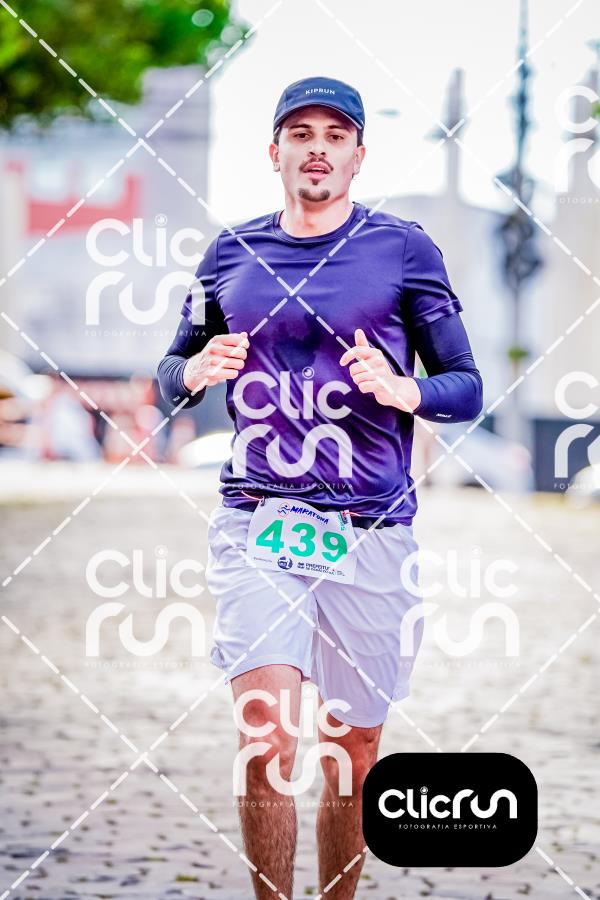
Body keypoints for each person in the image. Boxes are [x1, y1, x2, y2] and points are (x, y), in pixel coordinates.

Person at [157, 75, 483, 900]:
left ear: (358, 156)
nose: (317, 149)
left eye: (335, 136)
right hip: (259, 519)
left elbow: (466, 385)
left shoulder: (403, 249)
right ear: (273, 151)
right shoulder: (230, 253)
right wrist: (192, 370)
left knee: (353, 754)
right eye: (300, 134)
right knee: (266, 741)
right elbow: (169, 374)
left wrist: (405, 390)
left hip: (372, 527)